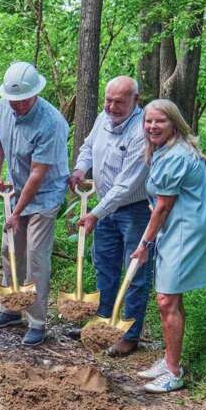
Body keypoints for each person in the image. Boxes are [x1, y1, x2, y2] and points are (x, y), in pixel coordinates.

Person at [131, 99, 206, 394]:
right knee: (170, 298)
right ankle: (169, 360)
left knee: (166, 300)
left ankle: (174, 373)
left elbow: (162, 206)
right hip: (174, 230)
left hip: (183, 231)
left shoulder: (176, 155)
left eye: (159, 121)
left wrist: (143, 244)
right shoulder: (167, 150)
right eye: (148, 121)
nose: (152, 126)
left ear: (174, 123)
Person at [0, 61, 70, 346]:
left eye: (23, 101)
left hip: (44, 194)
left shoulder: (51, 122)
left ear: (35, 94)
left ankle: (37, 322)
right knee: (10, 249)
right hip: (17, 188)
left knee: (35, 256)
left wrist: (18, 212)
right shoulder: (3, 106)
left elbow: (38, 175)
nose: (17, 106)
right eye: (13, 101)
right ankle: (11, 309)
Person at [69, 76, 151, 356]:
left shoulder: (142, 131)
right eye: (109, 100)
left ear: (135, 101)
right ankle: (103, 325)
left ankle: (129, 336)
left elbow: (127, 185)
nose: (112, 107)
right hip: (104, 207)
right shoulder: (102, 119)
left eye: (120, 102)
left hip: (135, 210)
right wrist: (81, 169)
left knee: (134, 273)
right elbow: (88, 147)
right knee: (104, 266)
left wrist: (94, 214)